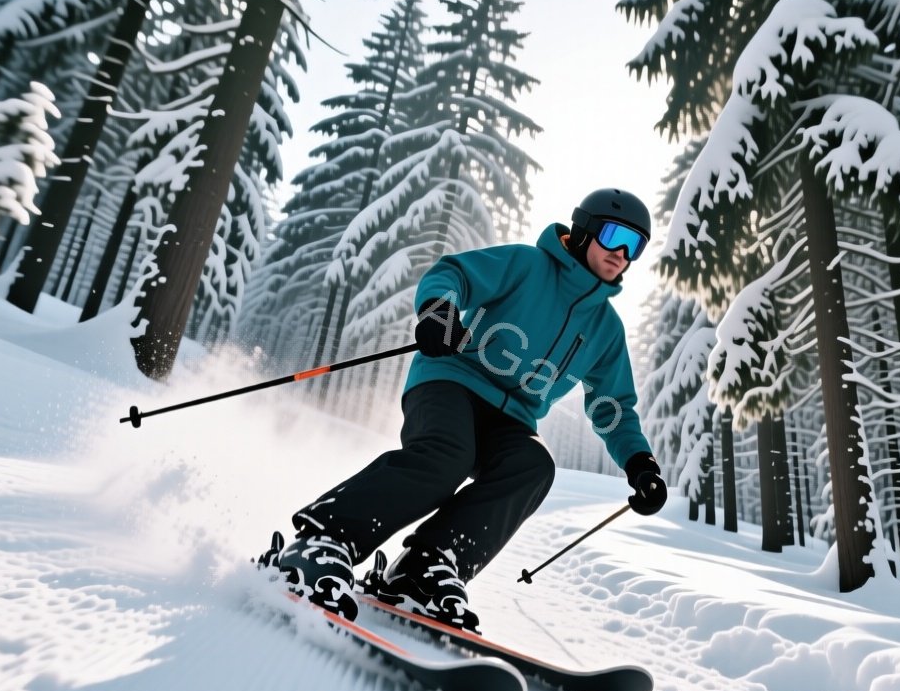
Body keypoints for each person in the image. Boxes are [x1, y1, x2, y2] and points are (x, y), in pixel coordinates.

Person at [263, 188, 669, 631]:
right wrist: (440, 312)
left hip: (513, 418)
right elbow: (452, 274)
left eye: (635, 245)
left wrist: (639, 463)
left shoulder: (606, 330)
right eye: (613, 236)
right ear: (585, 230)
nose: (621, 253)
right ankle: (324, 539)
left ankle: (426, 566)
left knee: (533, 466)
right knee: (448, 454)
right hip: (451, 378)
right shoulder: (528, 265)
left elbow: (614, 407)